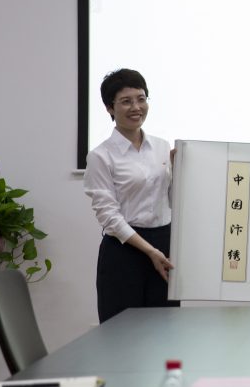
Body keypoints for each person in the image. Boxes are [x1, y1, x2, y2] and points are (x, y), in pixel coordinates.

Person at [83, 68, 178, 323]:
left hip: (165, 246)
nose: (136, 107)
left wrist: (179, 171)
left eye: (141, 99)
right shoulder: (100, 156)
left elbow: (170, 199)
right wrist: (149, 251)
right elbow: (108, 216)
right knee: (121, 334)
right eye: (126, 101)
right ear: (109, 108)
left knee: (165, 331)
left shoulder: (162, 147)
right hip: (124, 251)